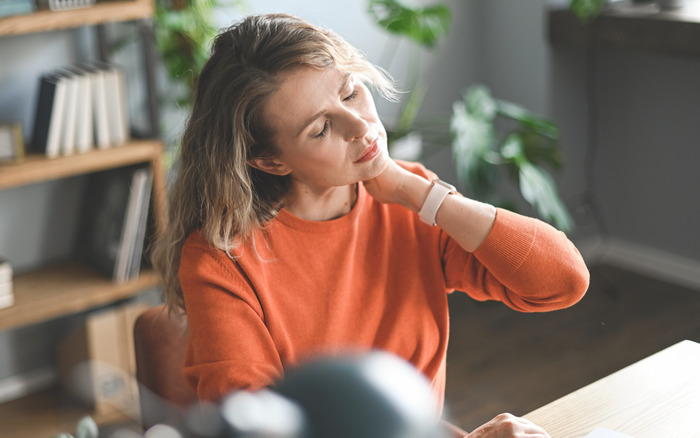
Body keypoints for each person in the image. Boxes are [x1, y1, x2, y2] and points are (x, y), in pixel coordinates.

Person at [151, 13, 589, 437]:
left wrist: (419, 193)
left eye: (350, 93)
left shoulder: (411, 201)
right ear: (270, 160)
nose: (361, 127)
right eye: (322, 129)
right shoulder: (220, 259)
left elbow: (563, 281)